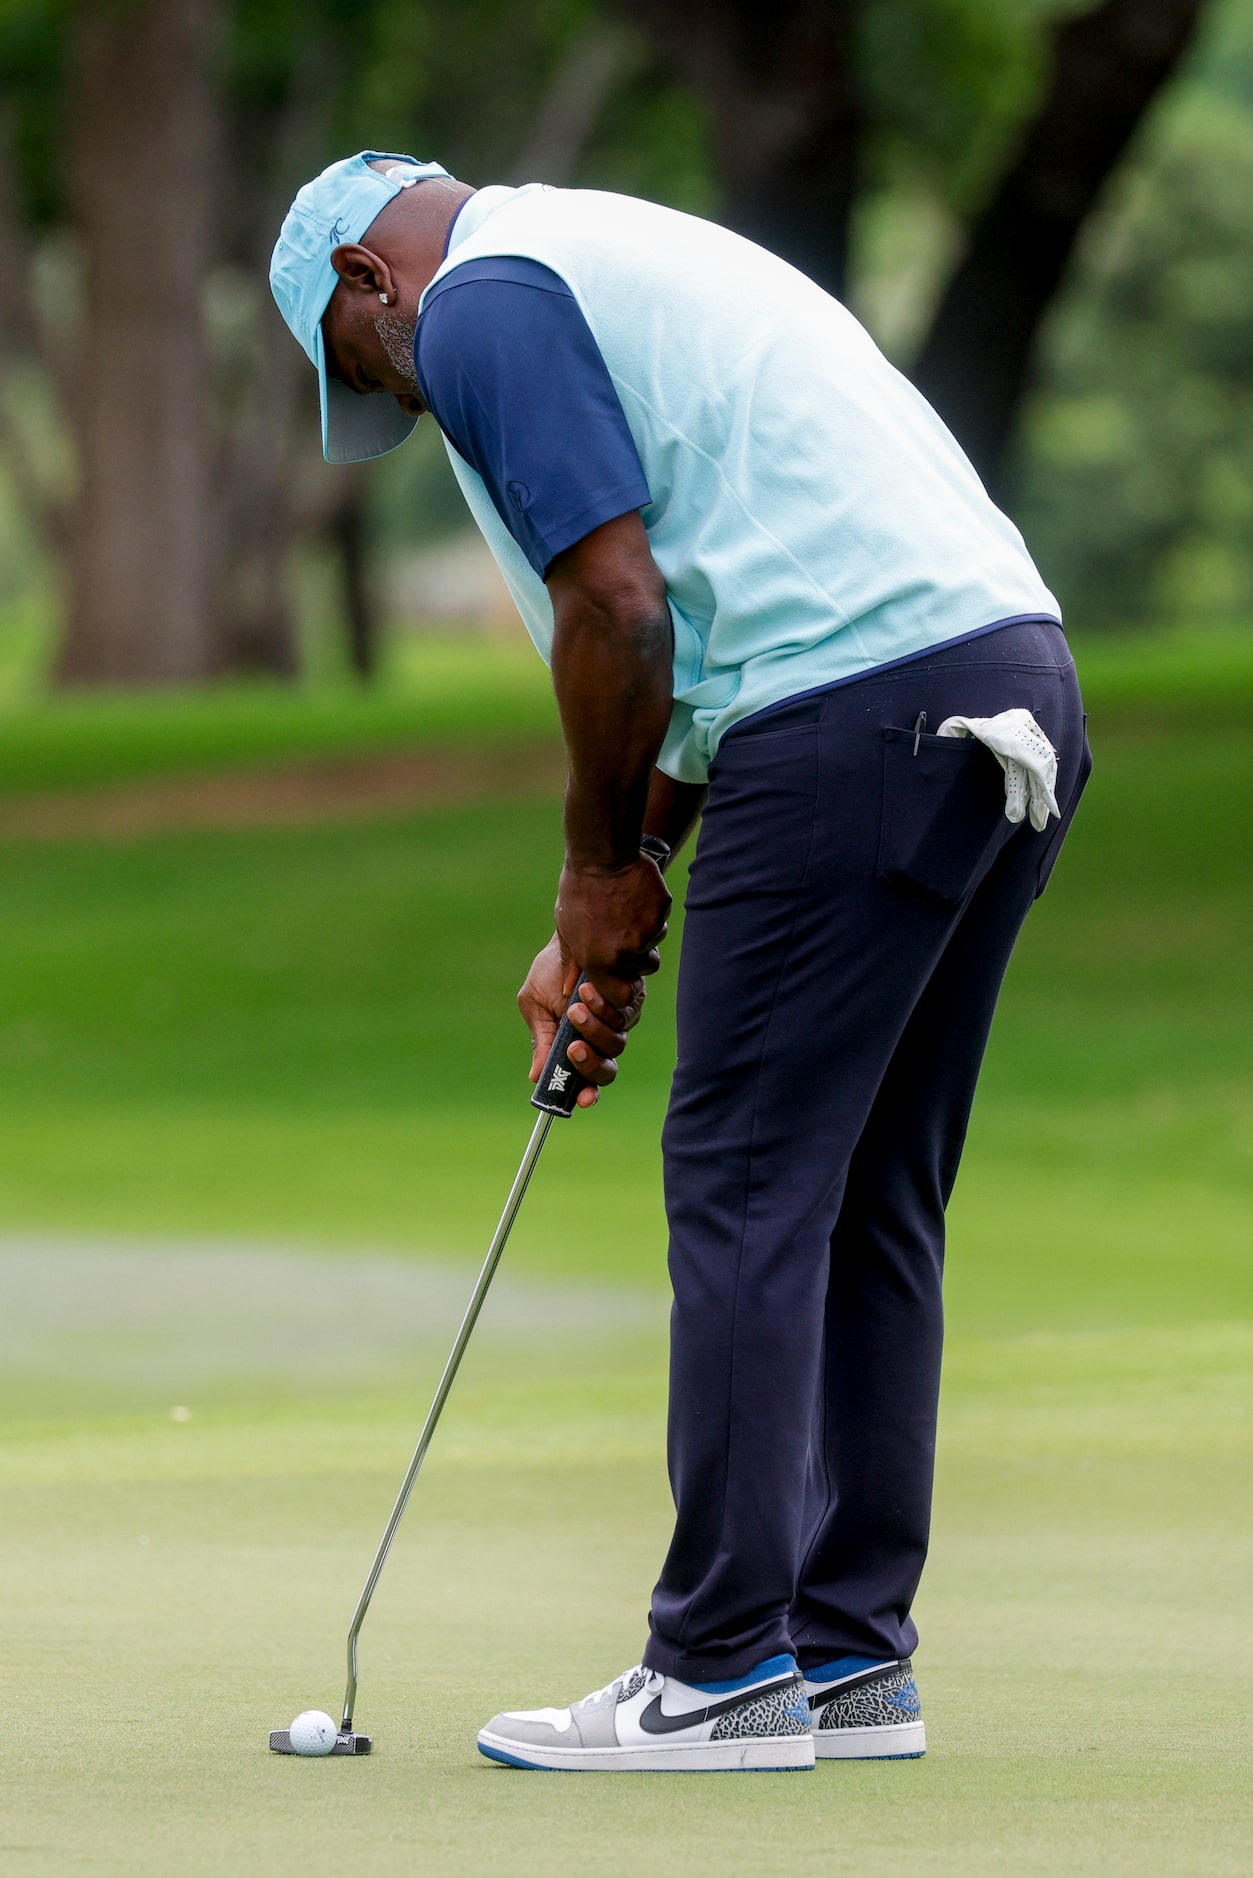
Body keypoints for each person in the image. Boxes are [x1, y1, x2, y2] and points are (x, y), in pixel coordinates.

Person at [271, 152, 1091, 1774]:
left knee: (742, 1176)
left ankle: (717, 1665)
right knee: (863, 1187)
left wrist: (591, 874)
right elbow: (714, 615)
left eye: (367, 376)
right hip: (1008, 685)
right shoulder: (604, 250)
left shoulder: (483, 302)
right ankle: (846, 1655)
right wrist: (631, 872)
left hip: (854, 709)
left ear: (369, 284)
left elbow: (621, 606)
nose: (407, 407)